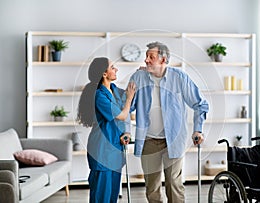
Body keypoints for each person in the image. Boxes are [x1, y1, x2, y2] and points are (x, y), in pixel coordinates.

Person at [129, 42, 209, 203]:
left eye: (151, 57)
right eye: (146, 57)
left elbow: (200, 104)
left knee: (174, 183)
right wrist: (124, 131)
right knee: (152, 187)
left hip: (174, 139)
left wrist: (198, 129)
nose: (146, 60)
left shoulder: (179, 78)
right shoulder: (138, 77)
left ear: (163, 60)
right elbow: (127, 107)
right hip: (148, 140)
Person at [77, 57, 136, 203]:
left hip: (115, 147)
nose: (116, 69)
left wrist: (126, 133)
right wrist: (128, 99)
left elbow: (129, 109)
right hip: (101, 150)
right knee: (101, 196)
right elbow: (122, 115)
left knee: (112, 196)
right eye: (113, 67)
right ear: (104, 73)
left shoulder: (115, 90)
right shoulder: (99, 95)